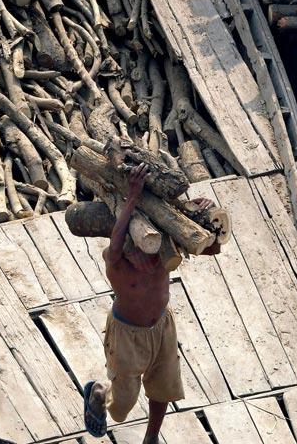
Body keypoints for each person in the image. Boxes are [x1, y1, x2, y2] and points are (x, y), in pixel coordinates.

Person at [82, 163, 183, 442]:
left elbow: (209, 245)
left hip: (163, 327)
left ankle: (151, 438)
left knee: (164, 386)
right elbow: (114, 246)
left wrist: (201, 211)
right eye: (139, 251)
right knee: (122, 405)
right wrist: (132, 198)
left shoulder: (165, 252)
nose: (148, 258)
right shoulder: (117, 263)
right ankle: (100, 392)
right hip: (127, 334)